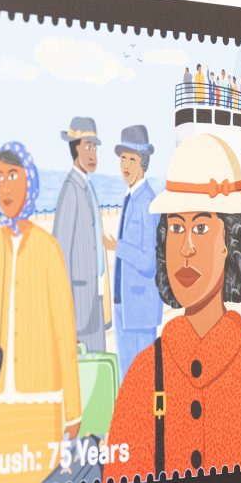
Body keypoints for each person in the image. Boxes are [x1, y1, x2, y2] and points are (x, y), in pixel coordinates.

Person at [103, 134, 241, 483]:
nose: (185, 247)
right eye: (175, 227)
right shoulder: (140, 379)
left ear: (231, 242)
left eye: (201, 228)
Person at [0, 142, 81, 483]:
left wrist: (73, 410)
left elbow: (66, 335)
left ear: (29, 181)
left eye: (13, 175)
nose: (5, 187)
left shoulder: (48, 250)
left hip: (42, 402)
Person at [103, 125, 161, 382]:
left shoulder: (148, 201)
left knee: (142, 378)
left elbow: (149, 260)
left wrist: (119, 247)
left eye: (132, 159)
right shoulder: (129, 197)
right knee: (127, 377)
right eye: (123, 159)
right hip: (123, 304)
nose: (125, 165)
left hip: (140, 307)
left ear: (143, 162)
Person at [53, 116, 107, 353]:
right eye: (87, 146)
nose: (92, 153)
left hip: (94, 296)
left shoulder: (88, 186)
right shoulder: (71, 189)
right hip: (78, 300)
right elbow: (60, 253)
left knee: (98, 367)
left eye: (94, 147)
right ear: (75, 149)